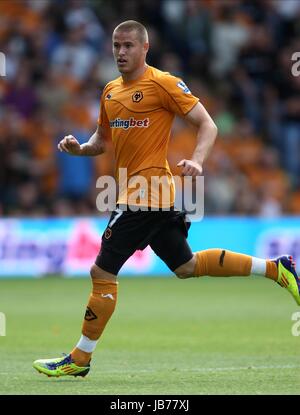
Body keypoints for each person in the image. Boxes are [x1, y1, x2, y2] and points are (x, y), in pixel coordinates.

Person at [33, 20, 300, 378]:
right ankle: (275, 268)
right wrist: (78, 148)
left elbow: (208, 124)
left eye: (128, 46)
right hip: (145, 195)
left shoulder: (163, 83)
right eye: (116, 45)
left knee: (101, 271)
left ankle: (79, 360)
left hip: (146, 194)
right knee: (186, 266)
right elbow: (101, 142)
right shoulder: (110, 91)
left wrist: (198, 160)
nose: (121, 52)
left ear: (145, 48)